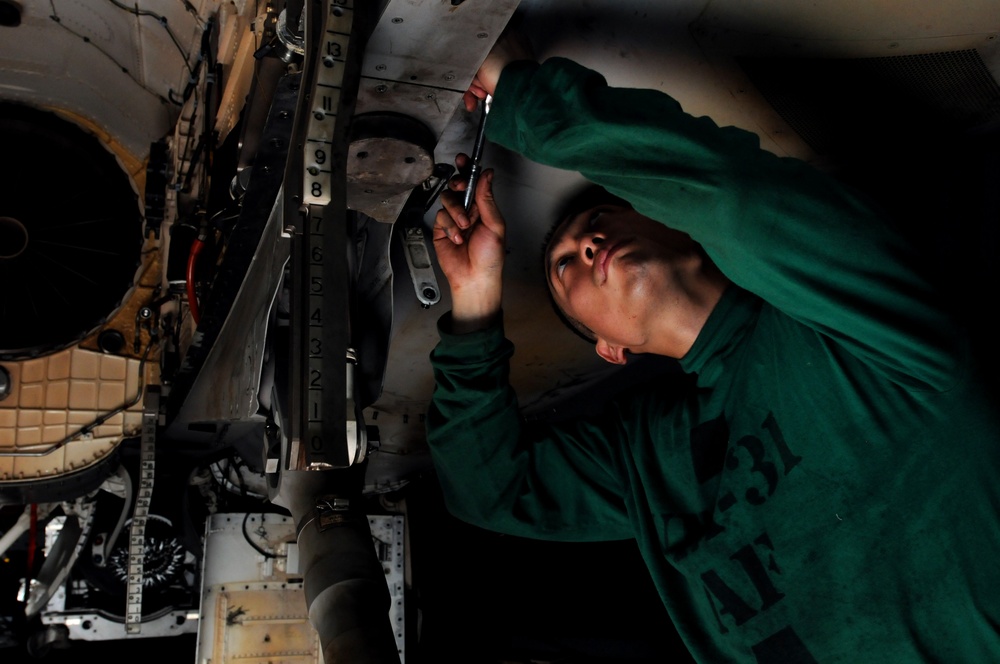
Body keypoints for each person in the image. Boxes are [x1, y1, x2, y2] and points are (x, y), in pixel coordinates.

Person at [425, 33, 1000, 663]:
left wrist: (525, 97)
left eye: (602, 220)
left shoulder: (840, 311)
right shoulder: (649, 458)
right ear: (612, 349)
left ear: (673, 218)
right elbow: (487, 487)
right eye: (565, 266)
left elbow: (736, 199)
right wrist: (475, 298)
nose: (588, 245)